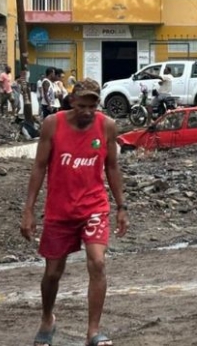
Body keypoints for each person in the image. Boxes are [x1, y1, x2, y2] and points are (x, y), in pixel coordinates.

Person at [21, 78, 127, 346]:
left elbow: (112, 167)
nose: (88, 112)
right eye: (82, 106)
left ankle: (93, 331)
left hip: (94, 207)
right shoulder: (53, 124)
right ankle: (47, 318)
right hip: (60, 210)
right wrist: (29, 210)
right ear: (71, 102)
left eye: (93, 106)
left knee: (98, 262)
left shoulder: (107, 126)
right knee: (53, 273)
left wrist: (121, 206)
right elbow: (39, 166)